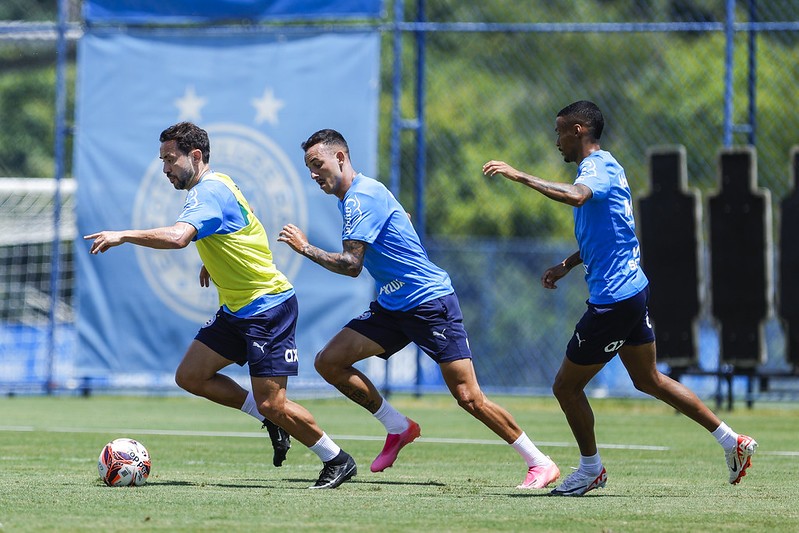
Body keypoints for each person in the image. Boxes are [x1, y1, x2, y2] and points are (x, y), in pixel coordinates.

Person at [482, 100, 757, 496]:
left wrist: (519, 175)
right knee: (650, 380)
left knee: (565, 387)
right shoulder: (604, 168)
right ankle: (733, 442)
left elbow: (577, 197)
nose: (555, 140)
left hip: (613, 300)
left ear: (578, 130)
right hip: (630, 291)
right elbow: (611, 231)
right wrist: (569, 263)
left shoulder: (595, 168)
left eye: (559, 131)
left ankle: (591, 469)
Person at [277, 128, 560, 490]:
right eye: (309, 168)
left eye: (318, 164)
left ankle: (540, 462)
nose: (314, 174)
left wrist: (304, 247)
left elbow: (351, 264)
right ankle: (398, 426)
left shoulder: (360, 197)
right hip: (393, 307)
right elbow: (399, 219)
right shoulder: (359, 195)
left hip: (429, 304)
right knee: (329, 361)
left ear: (341, 158)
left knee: (468, 397)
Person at [85, 122, 356, 489]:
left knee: (273, 402)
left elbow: (180, 237)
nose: (165, 168)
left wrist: (123, 235)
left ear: (195, 156)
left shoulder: (208, 191)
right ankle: (269, 421)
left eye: (170, 159)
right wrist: (212, 260)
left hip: (266, 309)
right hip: (237, 309)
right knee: (191, 376)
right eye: (162, 160)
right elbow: (244, 225)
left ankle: (336, 459)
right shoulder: (219, 185)